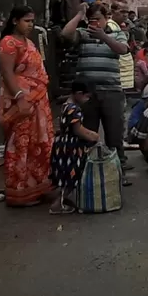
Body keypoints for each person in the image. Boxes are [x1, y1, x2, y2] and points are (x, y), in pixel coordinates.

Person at [61, 3, 132, 177]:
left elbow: (123, 49)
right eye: (92, 19)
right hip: (86, 95)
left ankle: (117, 173)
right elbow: (65, 34)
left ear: (106, 18)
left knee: (114, 136)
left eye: (98, 19)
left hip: (112, 92)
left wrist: (104, 36)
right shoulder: (83, 34)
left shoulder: (117, 34)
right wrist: (79, 15)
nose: (95, 23)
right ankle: (87, 173)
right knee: (87, 134)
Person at [0, 6, 54, 207]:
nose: (30, 24)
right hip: (21, 102)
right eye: (26, 21)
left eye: (32, 21)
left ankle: (37, 187)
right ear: (14, 21)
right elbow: (8, 74)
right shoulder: (8, 43)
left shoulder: (28, 42)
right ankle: (19, 192)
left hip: (37, 101)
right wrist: (20, 97)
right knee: (21, 145)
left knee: (39, 144)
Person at [49, 81, 101, 214]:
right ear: (78, 94)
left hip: (62, 144)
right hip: (71, 147)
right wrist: (92, 136)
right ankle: (57, 205)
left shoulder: (66, 105)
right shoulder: (74, 109)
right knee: (72, 175)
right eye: (86, 97)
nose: (87, 99)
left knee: (64, 174)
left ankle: (60, 200)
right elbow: (78, 130)